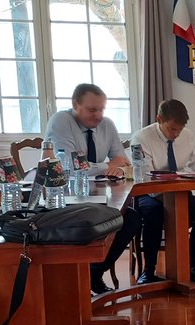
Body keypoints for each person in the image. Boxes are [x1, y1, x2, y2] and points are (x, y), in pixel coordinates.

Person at [45, 83, 141, 294]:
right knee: (88, 225)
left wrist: (108, 166)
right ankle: (75, 281)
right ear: (75, 105)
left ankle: (93, 274)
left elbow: (123, 162)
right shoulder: (61, 121)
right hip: (64, 197)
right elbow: (69, 167)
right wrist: (108, 165)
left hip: (97, 194)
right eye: (92, 109)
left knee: (129, 219)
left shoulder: (107, 124)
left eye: (101, 109)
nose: (98, 115)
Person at [130, 99, 195, 284]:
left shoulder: (187, 135)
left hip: (178, 191)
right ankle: (148, 269)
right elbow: (145, 175)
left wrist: (182, 174)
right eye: (171, 129)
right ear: (159, 119)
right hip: (150, 193)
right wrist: (180, 174)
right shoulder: (141, 138)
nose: (176, 134)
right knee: (153, 214)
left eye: (179, 129)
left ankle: (194, 265)